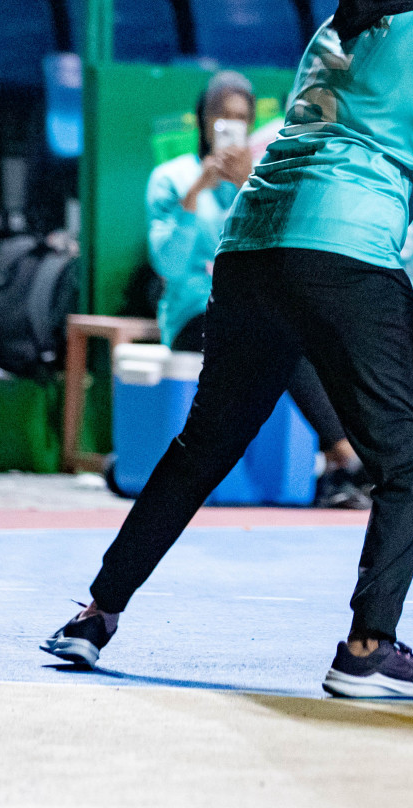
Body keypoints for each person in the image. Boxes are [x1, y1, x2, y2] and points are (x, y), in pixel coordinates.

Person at [40, 0, 413, 699]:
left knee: (199, 450)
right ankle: (368, 645)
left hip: (251, 253)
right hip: (344, 256)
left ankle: (94, 615)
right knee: (411, 458)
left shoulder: (335, 33)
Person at [148, 71, 369, 510]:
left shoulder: (262, 180)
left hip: (257, 314)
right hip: (195, 317)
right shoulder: (171, 178)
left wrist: (250, 190)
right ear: (202, 119)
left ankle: (342, 461)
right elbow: (169, 265)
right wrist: (195, 196)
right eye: (221, 116)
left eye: (241, 118)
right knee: (273, 334)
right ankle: (345, 457)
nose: (231, 125)